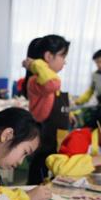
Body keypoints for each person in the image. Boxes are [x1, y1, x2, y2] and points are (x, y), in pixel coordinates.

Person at [23, 35, 71, 184]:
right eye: (63, 56)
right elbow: (53, 83)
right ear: (49, 56)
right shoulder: (37, 81)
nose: (65, 61)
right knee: (39, 179)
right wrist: (36, 64)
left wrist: (68, 114)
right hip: (44, 140)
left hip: (55, 140)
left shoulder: (47, 79)